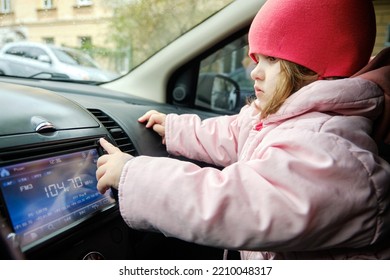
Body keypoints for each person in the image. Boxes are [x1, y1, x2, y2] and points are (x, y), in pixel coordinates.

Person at [96, 0, 390, 259]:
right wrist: (175, 128)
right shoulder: (291, 118)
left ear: (315, 67)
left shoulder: (330, 150)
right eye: (257, 58)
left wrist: (135, 176)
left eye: (272, 59)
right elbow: (237, 132)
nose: (254, 71)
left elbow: (233, 203)